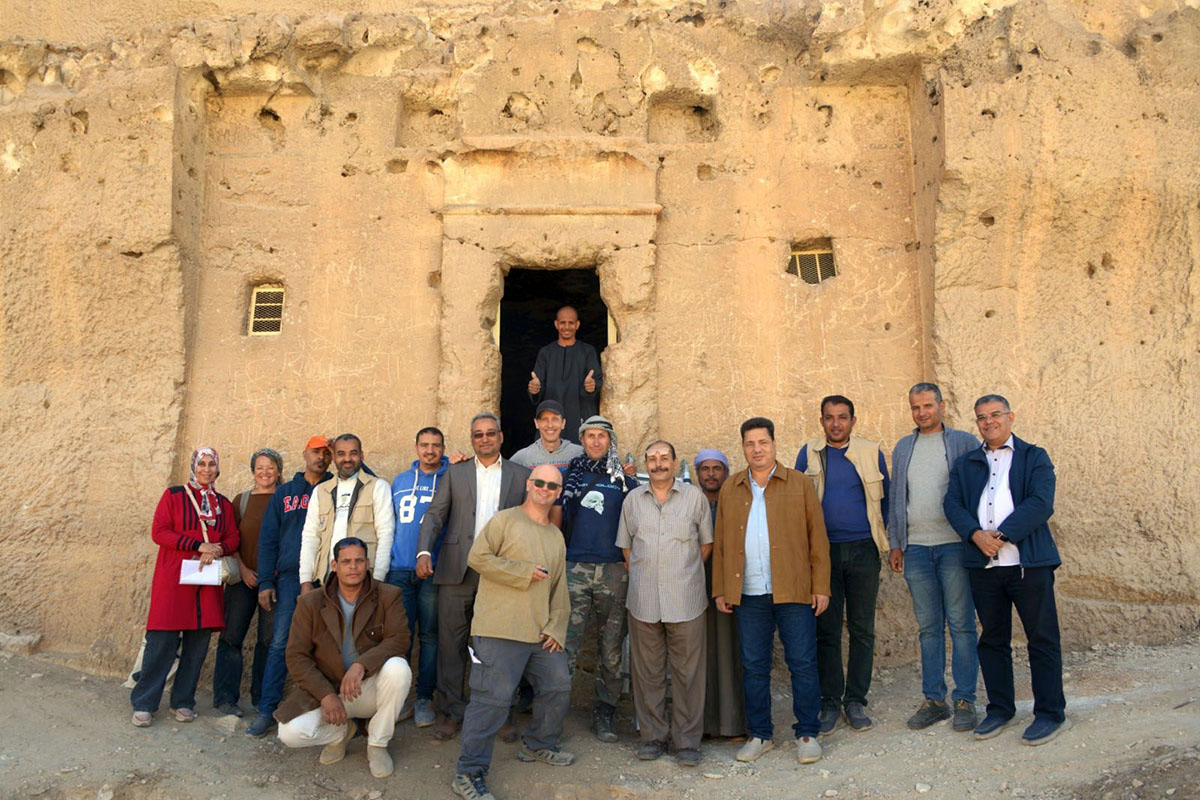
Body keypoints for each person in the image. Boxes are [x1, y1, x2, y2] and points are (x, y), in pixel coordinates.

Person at [943, 394, 1067, 745]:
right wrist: (975, 534)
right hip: (984, 566)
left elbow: (1041, 503)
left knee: (1041, 639)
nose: (989, 422)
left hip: (1029, 565)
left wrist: (1002, 534)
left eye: (995, 415)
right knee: (993, 640)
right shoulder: (968, 462)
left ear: (1010, 417)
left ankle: (1050, 714)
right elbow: (951, 502)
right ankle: (1000, 709)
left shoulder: (1034, 457)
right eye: (981, 417)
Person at [451, 465, 575, 800]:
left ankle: (538, 744)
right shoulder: (504, 520)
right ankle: (469, 772)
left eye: (553, 485)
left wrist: (556, 627)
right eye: (540, 482)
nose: (545, 488)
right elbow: (478, 557)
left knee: (558, 683)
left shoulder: (555, 536)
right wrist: (522, 571)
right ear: (529, 484)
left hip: (539, 632)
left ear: (558, 491)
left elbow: (560, 587)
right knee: (492, 700)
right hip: (499, 628)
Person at [713, 417, 830, 765]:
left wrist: (820, 585)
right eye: (750, 444)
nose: (757, 449)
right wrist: (722, 588)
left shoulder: (798, 484)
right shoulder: (731, 488)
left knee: (803, 662)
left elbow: (817, 538)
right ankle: (760, 734)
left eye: (763, 442)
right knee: (753, 665)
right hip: (748, 593)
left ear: (775, 444)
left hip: (793, 589)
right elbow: (721, 544)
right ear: (743, 447)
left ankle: (807, 732)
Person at [416, 412, 531, 740]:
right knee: (451, 644)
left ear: (501, 437)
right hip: (456, 570)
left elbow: (532, 522)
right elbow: (435, 515)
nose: (484, 439)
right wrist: (424, 551)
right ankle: (453, 711)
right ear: (471, 439)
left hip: (501, 574)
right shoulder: (455, 473)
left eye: (490, 434)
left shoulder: (520, 475)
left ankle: (500, 714)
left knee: (498, 647)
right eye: (478, 435)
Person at [275, 538, 412, 779]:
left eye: (359, 561)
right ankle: (341, 734)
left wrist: (361, 665)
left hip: (367, 688)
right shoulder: (310, 603)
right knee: (290, 733)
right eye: (346, 561)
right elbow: (296, 656)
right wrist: (326, 695)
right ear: (334, 565)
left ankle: (377, 744)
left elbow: (400, 639)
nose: (353, 567)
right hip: (327, 692)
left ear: (368, 564)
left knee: (398, 668)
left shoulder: (388, 595)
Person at [795, 395, 890, 734]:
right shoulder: (809, 453)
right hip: (823, 554)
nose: (836, 423)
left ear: (853, 420)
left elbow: (887, 501)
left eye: (843, 417)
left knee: (863, 629)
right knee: (827, 630)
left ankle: (856, 700)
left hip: (864, 550)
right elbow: (797, 502)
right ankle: (830, 701)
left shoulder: (870, 451)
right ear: (821, 421)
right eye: (830, 417)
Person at [887, 383, 980, 732]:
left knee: (961, 624)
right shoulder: (903, 447)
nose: (922, 412)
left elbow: (976, 490)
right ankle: (935, 700)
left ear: (941, 405)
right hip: (917, 550)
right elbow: (898, 498)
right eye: (915, 407)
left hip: (954, 545)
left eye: (928, 405)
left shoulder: (963, 442)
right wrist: (897, 543)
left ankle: (965, 699)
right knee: (928, 628)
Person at [616, 441, 713, 766]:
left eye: (664, 458)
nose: (658, 464)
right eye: (652, 459)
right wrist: (650, 575)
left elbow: (706, 545)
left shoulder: (694, 498)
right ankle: (653, 737)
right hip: (643, 600)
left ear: (674, 462)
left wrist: (679, 575)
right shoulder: (632, 500)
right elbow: (627, 549)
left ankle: (687, 742)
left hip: (685, 600)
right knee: (647, 672)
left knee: (688, 674)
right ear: (646, 463)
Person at [131, 447, 239, 727]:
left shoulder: (223, 504)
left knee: (197, 645)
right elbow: (160, 532)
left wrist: (215, 549)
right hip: (173, 580)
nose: (206, 469)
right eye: (201, 463)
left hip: (205, 581)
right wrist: (196, 545)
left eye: (211, 464)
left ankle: (183, 700)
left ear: (218, 468)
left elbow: (233, 538)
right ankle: (145, 702)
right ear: (193, 466)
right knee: (162, 642)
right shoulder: (174, 496)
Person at [554, 414, 639, 743]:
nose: (595, 442)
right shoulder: (568, 476)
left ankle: (605, 711)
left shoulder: (625, 482)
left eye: (601, 436)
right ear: (582, 440)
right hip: (574, 569)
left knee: (612, 647)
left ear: (610, 441)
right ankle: (555, 712)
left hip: (614, 571)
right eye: (589, 436)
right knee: (566, 645)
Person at [247, 436, 333, 737]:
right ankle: (267, 710)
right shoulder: (285, 493)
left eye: (327, 452)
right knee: (281, 643)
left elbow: (367, 478)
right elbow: (268, 540)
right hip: (288, 579)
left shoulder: (337, 489)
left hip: (327, 579)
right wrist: (266, 582)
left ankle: (319, 711)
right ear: (304, 454)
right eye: (315, 451)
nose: (320, 457)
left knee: (326, 646)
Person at [387, 426, 450, 728]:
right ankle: (396, 699)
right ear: (416, 447)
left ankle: (424, 697)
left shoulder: (451, 478)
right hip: (399, 569)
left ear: (443, 448)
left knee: (430, 636)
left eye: (436, 445)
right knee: (401, 637)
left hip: (433, 570)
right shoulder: (400, 481)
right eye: (424, 445)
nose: (429, 451)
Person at [213, 447, 283, 717]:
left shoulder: (285, 499)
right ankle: (225, 698)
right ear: (253, 471)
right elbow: (231, 539)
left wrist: (271, 575)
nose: (265, 473)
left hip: (272, 581)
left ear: (279, 470)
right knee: (231, 637)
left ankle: (261, 699)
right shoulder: (241, 501)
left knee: (268, 641)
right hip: (243, 579)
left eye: (270, 467)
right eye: (259, 468)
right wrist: (242, 569)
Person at [694, 449, 746, 740]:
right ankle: (700, 726)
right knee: (699, 656)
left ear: (726, 473)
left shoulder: (737, 502)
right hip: (695, 586)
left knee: (729, 654)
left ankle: (733, 725)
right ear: (698, 473)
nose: (711, 474)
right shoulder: (689, 503)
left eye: (717, 469)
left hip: (729, 587)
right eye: (705, 469)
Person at [299, 434, 394, 592]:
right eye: (341, 454)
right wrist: (306, 580)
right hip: (328, 579)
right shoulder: (320, 491)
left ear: (361, 456)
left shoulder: (378, 487)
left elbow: (386, 534)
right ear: (334, 457)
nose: (347, 459)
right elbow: (310, 537)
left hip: (365, 579)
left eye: (353, 453)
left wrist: (378, 578)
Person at [527, 305, 603, 441]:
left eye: (571, 323)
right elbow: (537, 387)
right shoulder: (546, 353)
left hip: (580, 418)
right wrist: (534, 390)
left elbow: (597, 382)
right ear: (556, 324)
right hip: (551, 423)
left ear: (577, 325)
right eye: (563, 323)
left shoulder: (587, 351)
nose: (567, 327)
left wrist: (591, 387)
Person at [510, 399, 584, 473]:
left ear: (563, 423)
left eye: (555, 419)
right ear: (536, 423)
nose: (550, 425)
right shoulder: (522, 458)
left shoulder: (579, 454)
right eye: (545, 419)